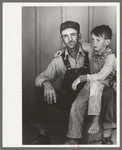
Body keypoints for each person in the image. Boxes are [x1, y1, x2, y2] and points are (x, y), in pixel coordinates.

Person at [30, 20, 93, 144]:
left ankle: (106, 136)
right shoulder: (59, 60)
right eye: (65, 36)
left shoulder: (91, 51)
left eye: (73, 35)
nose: (69, 39)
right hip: (71, 101)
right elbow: (40, 77)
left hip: (92, 100)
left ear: (79, 36)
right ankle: (43, 136)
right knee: (39, 90)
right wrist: (47, 84)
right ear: (62, 39)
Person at [67, 25, 116, 144]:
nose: (94, 43)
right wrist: (63, 50)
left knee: (95, 86)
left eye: (98, 40)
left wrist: (82, 78)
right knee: (77, 104)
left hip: (106, 81)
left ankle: (95, 119)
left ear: (107, 42)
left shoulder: (110, 57)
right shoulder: (91, 48)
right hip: (92, 81)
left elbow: (102, 75)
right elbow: (77, 44)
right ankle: (74, 137)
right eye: (93, 39)